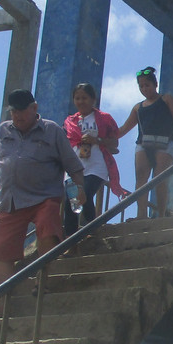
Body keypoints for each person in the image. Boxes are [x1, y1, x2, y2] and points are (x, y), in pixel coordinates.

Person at [0, 88, 86, 318]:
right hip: (9, 200)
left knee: (48, 228)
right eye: (14, 112)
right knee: (1, 252)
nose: (18, 116)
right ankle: (1, 305)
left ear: (34, 109)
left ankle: (42, 280)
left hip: (44, 196)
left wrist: (79, 189)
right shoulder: (3, 131)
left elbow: (73, 165)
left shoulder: (52, 131)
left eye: (22, 111)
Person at [117, 65, 173, 217]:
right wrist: (104, 138)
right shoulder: (138, 107)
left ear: (155, 84)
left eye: (147, 85)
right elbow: (123, 129)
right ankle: (141, 214)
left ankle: (161, 214)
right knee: (141, 176)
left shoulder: (166, 99)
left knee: (159, 177)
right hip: (144, 144)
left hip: (165, 143)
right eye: (141, 86)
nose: (144, 89)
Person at [62, 82, 128, 236]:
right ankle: (70, 242)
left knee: (86, 194)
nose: (81, 102)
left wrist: (97, 140)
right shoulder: (70, 121)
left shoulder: (104, 118)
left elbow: (114, 142)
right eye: (77, 98)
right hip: (75, 165)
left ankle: (93, 231)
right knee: (71, 202)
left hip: (96, 165)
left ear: (93, 99)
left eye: (84, 98)